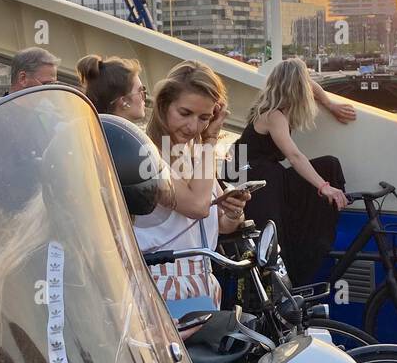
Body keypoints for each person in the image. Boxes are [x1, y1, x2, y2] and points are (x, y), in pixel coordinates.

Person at [135, 61, 251, 315]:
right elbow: (197, 207)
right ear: (163, 105)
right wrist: (210, 138)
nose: (193, 127)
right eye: (185, 113)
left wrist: (234, 212)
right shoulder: (146, 155)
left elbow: (220, 223)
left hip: (200, 281)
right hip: (161, 283)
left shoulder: (196, 154)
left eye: (204, 118)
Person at [231, 56, 356, 286]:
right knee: (276, 237)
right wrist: (324, 187)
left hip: (269, 174)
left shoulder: (276, 107)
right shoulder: (273, 115)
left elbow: (313, 87)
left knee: (329, 164)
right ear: (295, 88)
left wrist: (330, 105)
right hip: (253, 178)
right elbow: (294, 156)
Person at [77, 54, 147, 121]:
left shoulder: (89, 128)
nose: (144, 96)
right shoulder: (122, 132)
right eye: (140, 91)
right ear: (124, 101)